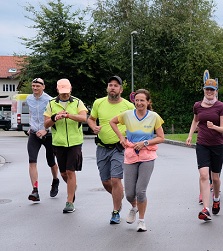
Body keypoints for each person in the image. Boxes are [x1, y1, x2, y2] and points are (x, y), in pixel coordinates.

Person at [110, 89, 164, 232]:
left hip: (147, 157)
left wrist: (145, 143)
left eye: (142, 100)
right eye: (137, 100)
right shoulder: (127, 115)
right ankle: (133, 207)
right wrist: (121, 138)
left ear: (148, 102)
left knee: (141, 191)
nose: (139, 103)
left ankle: (141, 220)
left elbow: (161, 137)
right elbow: (112, 122)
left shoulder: (154, 117)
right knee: (129, 193)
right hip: (130, 155)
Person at [87, 76, 135, 224]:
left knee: (115, 179)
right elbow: (91, 118)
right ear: (107, 88)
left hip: (119, 148)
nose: (112, 87)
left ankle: (115, 212)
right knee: (106, 182)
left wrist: (128, 139)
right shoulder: (98, 103)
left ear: (121, 89)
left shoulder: (128, 106)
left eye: (116, 85)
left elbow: (135, 125)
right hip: (102, 147)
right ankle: (119, 196)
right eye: (110, 85)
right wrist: (93, 126)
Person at [186, 79, 223, 221]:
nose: (209, 92)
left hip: (217, 144)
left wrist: (214, 127)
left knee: (215, 177)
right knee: (204, 175)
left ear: (216, 91)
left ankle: (216, 198)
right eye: (207, 89)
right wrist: (190, 135)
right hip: (202, 144)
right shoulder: (198, 106)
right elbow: (195, 120)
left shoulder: (220, 106)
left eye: (212, 90)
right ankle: (206, 209)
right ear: (204, 90)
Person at [44, 79, 88, 213]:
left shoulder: (77, 102)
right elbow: (46, 124)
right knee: (63, 173)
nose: (65, 95)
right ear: (57, 90)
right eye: (62, 92)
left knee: (70, 171)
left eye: (67, 92)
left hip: (75, 142)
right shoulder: (51, 104)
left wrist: (69, 115)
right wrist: (54, 118)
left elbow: (84, 118)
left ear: (71, 89)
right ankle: (72, 186)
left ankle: (69, 202)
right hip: (58, 142)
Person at [26, 78, 60, 202]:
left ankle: (55, 180)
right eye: (33, 86)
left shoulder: (50, 100)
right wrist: (31, 127)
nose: (35, 88)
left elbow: (54, 118)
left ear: (43, 87)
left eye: (37, 86)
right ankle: (35, 190)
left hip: (48, 135)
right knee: (32, 161)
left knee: (51, 162)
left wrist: (46, 130)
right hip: (34, 134)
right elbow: (31, 114)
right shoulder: (29, 99)